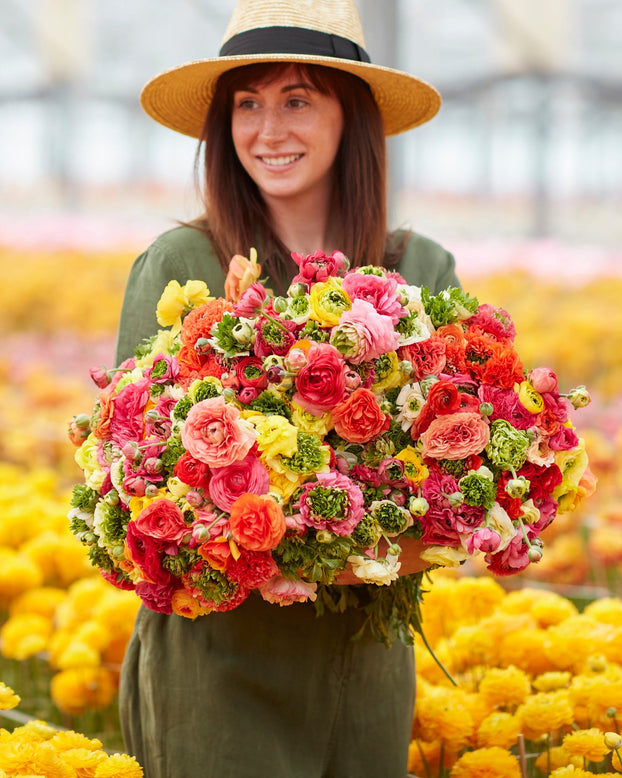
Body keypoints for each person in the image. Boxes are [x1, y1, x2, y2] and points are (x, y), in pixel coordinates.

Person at [114, 1, 460, 776]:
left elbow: (461, 490)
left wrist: (355, 554)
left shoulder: (421, 271)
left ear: (352, 117)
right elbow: (129, 483)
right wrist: (259, 550)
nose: (269, 132)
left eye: (298, 99)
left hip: (366, 669)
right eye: (248, 104)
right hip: (217, 672)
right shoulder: (181, 266)